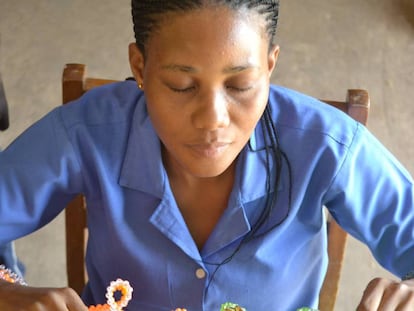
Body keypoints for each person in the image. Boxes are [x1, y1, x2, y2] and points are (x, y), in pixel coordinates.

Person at [0, 0, 413, 310]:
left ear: (270, 68)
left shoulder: (328, 146)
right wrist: (7, 293)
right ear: (139, 67)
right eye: (181, 85)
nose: (212, 120)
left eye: (241, 85)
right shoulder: (86, 134)